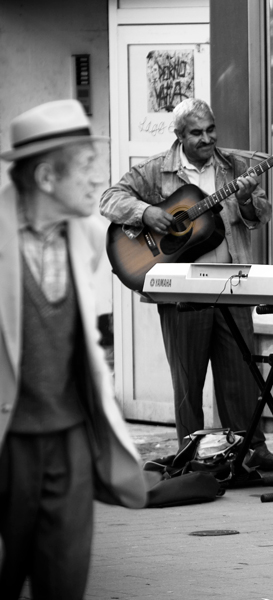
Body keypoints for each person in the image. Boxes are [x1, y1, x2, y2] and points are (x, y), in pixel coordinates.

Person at [0, 99, 148, 599]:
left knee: (63, 583)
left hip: (69, 440)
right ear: (45, 178)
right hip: (6, 444)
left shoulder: (84, 236)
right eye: (85, 168)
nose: (95, 182)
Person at [100, 98, 273, 470]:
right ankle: (191, 450)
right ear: (180, 135)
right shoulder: (155, 171)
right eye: (197, 133)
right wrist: (147, 212)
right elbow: (109, 199)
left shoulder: (236, 165)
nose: (207, 138)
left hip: (232, 285)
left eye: (211, 130)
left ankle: (249, 449)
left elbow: (260, 216)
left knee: (240, 373)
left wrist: (248, 199)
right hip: (181, 288)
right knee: (188, 378)